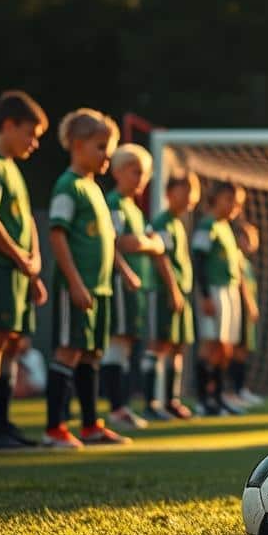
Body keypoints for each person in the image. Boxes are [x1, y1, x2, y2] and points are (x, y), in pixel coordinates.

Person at [0, 90, 49, 450]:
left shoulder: (13, 169)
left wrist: (32, 265)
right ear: (8, 125)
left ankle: (4, 422)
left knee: (12, 343)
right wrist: (19, 257)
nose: (34, 143)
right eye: (30, 134)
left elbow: (28, 222)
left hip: (18, 272)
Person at [43, 109, 125, 449]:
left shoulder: (94, 189)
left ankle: (91, 426)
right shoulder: (68, 186)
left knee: (91, 353)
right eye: (101, 146)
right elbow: (58, 235)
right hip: (77, 286)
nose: (107, 154)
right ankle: (55, 427)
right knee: (69, 350)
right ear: (77, 145)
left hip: (101, 288)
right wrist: (75, 282)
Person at [101, 144, 166, 430]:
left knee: (128, 345)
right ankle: (116, 407)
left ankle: (123, 405)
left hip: (137, 286)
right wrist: (142, 247)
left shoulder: (135, 209)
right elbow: (115, 242)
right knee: (118, 342)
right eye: (134, 170)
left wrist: (145, 243)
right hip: (119, 281)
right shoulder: (114, 203)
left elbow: (148, 243)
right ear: (117, 171)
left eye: (144, 173)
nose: (140, 177)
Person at [191, 180, 253, 416]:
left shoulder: (226, 227)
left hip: (230, 290)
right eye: (230, 200)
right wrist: (205, 295)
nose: (234, 206)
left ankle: (218, 397)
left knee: (225, 348)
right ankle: (203, 400)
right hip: (214, 290)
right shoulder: (207, 225)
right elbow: (199, 259)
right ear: (215, 198)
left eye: (238, 202)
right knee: (210, 346)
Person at [141, 171, 200, 421]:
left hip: (180, 292)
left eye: (192, 192)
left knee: (177, 346)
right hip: (165, 291)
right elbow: (160, 257)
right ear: (169, 194)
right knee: (159, 344)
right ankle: (151, 403)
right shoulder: (163, 221)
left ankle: (171, 401)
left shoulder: (177, 222)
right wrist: (173, 289)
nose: (189, 197)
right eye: (184, 191)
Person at [227, 219, 263, 408]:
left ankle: (241, 389)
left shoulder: (246, 261)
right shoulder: (237, 258)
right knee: (235, 351)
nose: (252, 241)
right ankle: (232, 391)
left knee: (244, 350)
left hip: (246, 311)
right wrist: (249, 304)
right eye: (248, 237)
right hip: (238, 309)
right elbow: (241, 284)